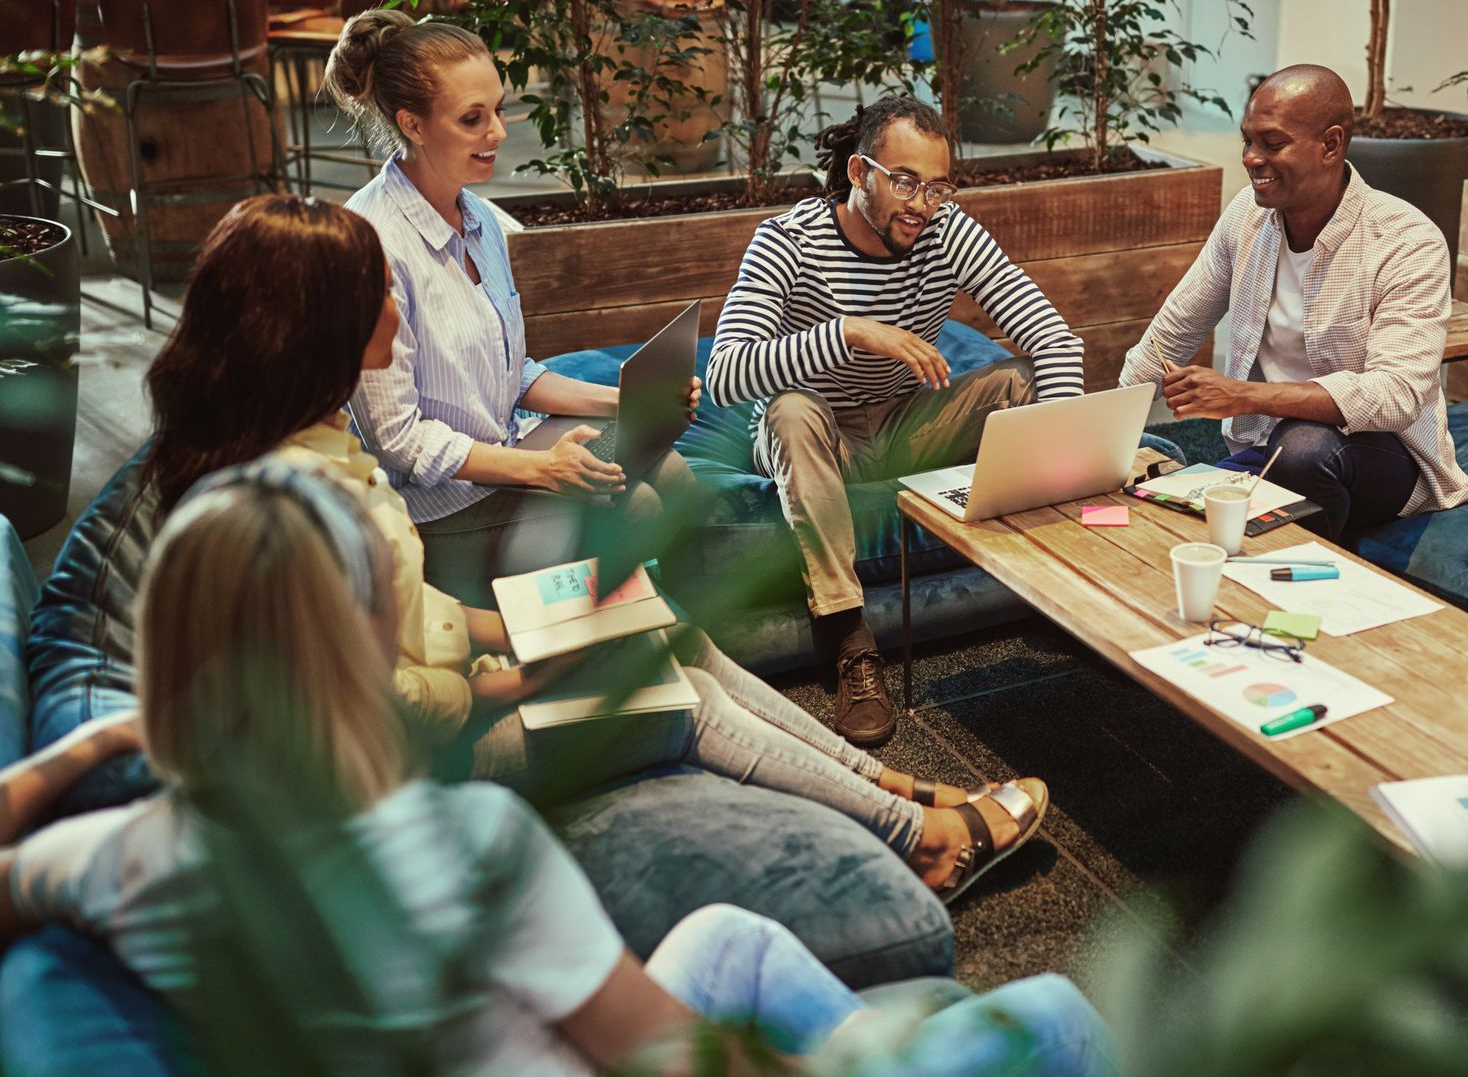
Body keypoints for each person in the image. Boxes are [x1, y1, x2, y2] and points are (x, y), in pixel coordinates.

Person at [0, 465, 1122, 1077]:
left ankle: (899, 817)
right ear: (355, 645)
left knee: (733, 939)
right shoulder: (465, 852)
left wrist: (107, 739)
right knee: (1064, 1013)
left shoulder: (118, 860)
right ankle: (912, 838)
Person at [140, 194, 1043, 900]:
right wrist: (537, 670)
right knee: (671, 694)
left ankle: (890, 785)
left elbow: (415, 614)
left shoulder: (315, 437)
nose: (396, 307)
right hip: (396, 763)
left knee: (662, 621)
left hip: (433, 683)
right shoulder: (295, 505)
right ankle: (921, 843)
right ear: (316, 329)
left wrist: (538, 619)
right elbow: (395, 708)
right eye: (378, 292)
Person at [707, 94, 1086, 746]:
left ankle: (1057, 569)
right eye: (905, 182)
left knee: (1018, 382)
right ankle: (849, 637)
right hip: (818, 434)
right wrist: (849, 333)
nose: (922, 203)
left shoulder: (948, 230)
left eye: (937, 186)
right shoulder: (786, 240)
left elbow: (1054, 340)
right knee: (791, 410)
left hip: (907, 424)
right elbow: (726, 374)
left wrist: (1065, 473)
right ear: (859, 173)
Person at [322, 10, 698, 608]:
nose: (498, 132)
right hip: (437, 507)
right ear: (411, 124)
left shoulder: (481, 222)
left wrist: (627, 401)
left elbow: (510, 372)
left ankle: (662, 631)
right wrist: (541, 470)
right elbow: (396, 438)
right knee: (640, 503)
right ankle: (629, 645)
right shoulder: (372, 245)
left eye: (498, 109)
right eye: (473, 119)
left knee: (673, 472)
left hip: (511, 453)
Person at [1118, 64, 1468, 540]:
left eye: (1272, 144)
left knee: (1301, 451)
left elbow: (1395, 396)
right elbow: (1172, 332)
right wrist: (1108, 429)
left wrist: (1241, 395)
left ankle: (1303, 567)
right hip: (1268, 441)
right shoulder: (1247, 218)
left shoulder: (1406, 239)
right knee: (1158, 481)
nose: (1252, 159)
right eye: (1247, 141)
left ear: (1331, 145)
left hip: (1381, 454)